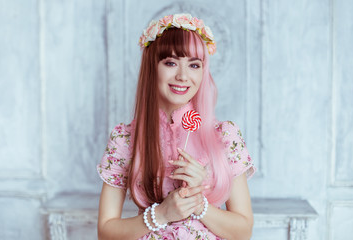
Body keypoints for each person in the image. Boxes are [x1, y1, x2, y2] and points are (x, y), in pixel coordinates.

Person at [96, 13, 256, 240]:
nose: (183, 76)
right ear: (152, 67)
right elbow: (105, 232)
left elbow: (243, 232)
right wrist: (161, 214)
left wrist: (199, 204)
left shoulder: (224, 136)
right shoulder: (125, 139)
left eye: (194, 65)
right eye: (171, 62)